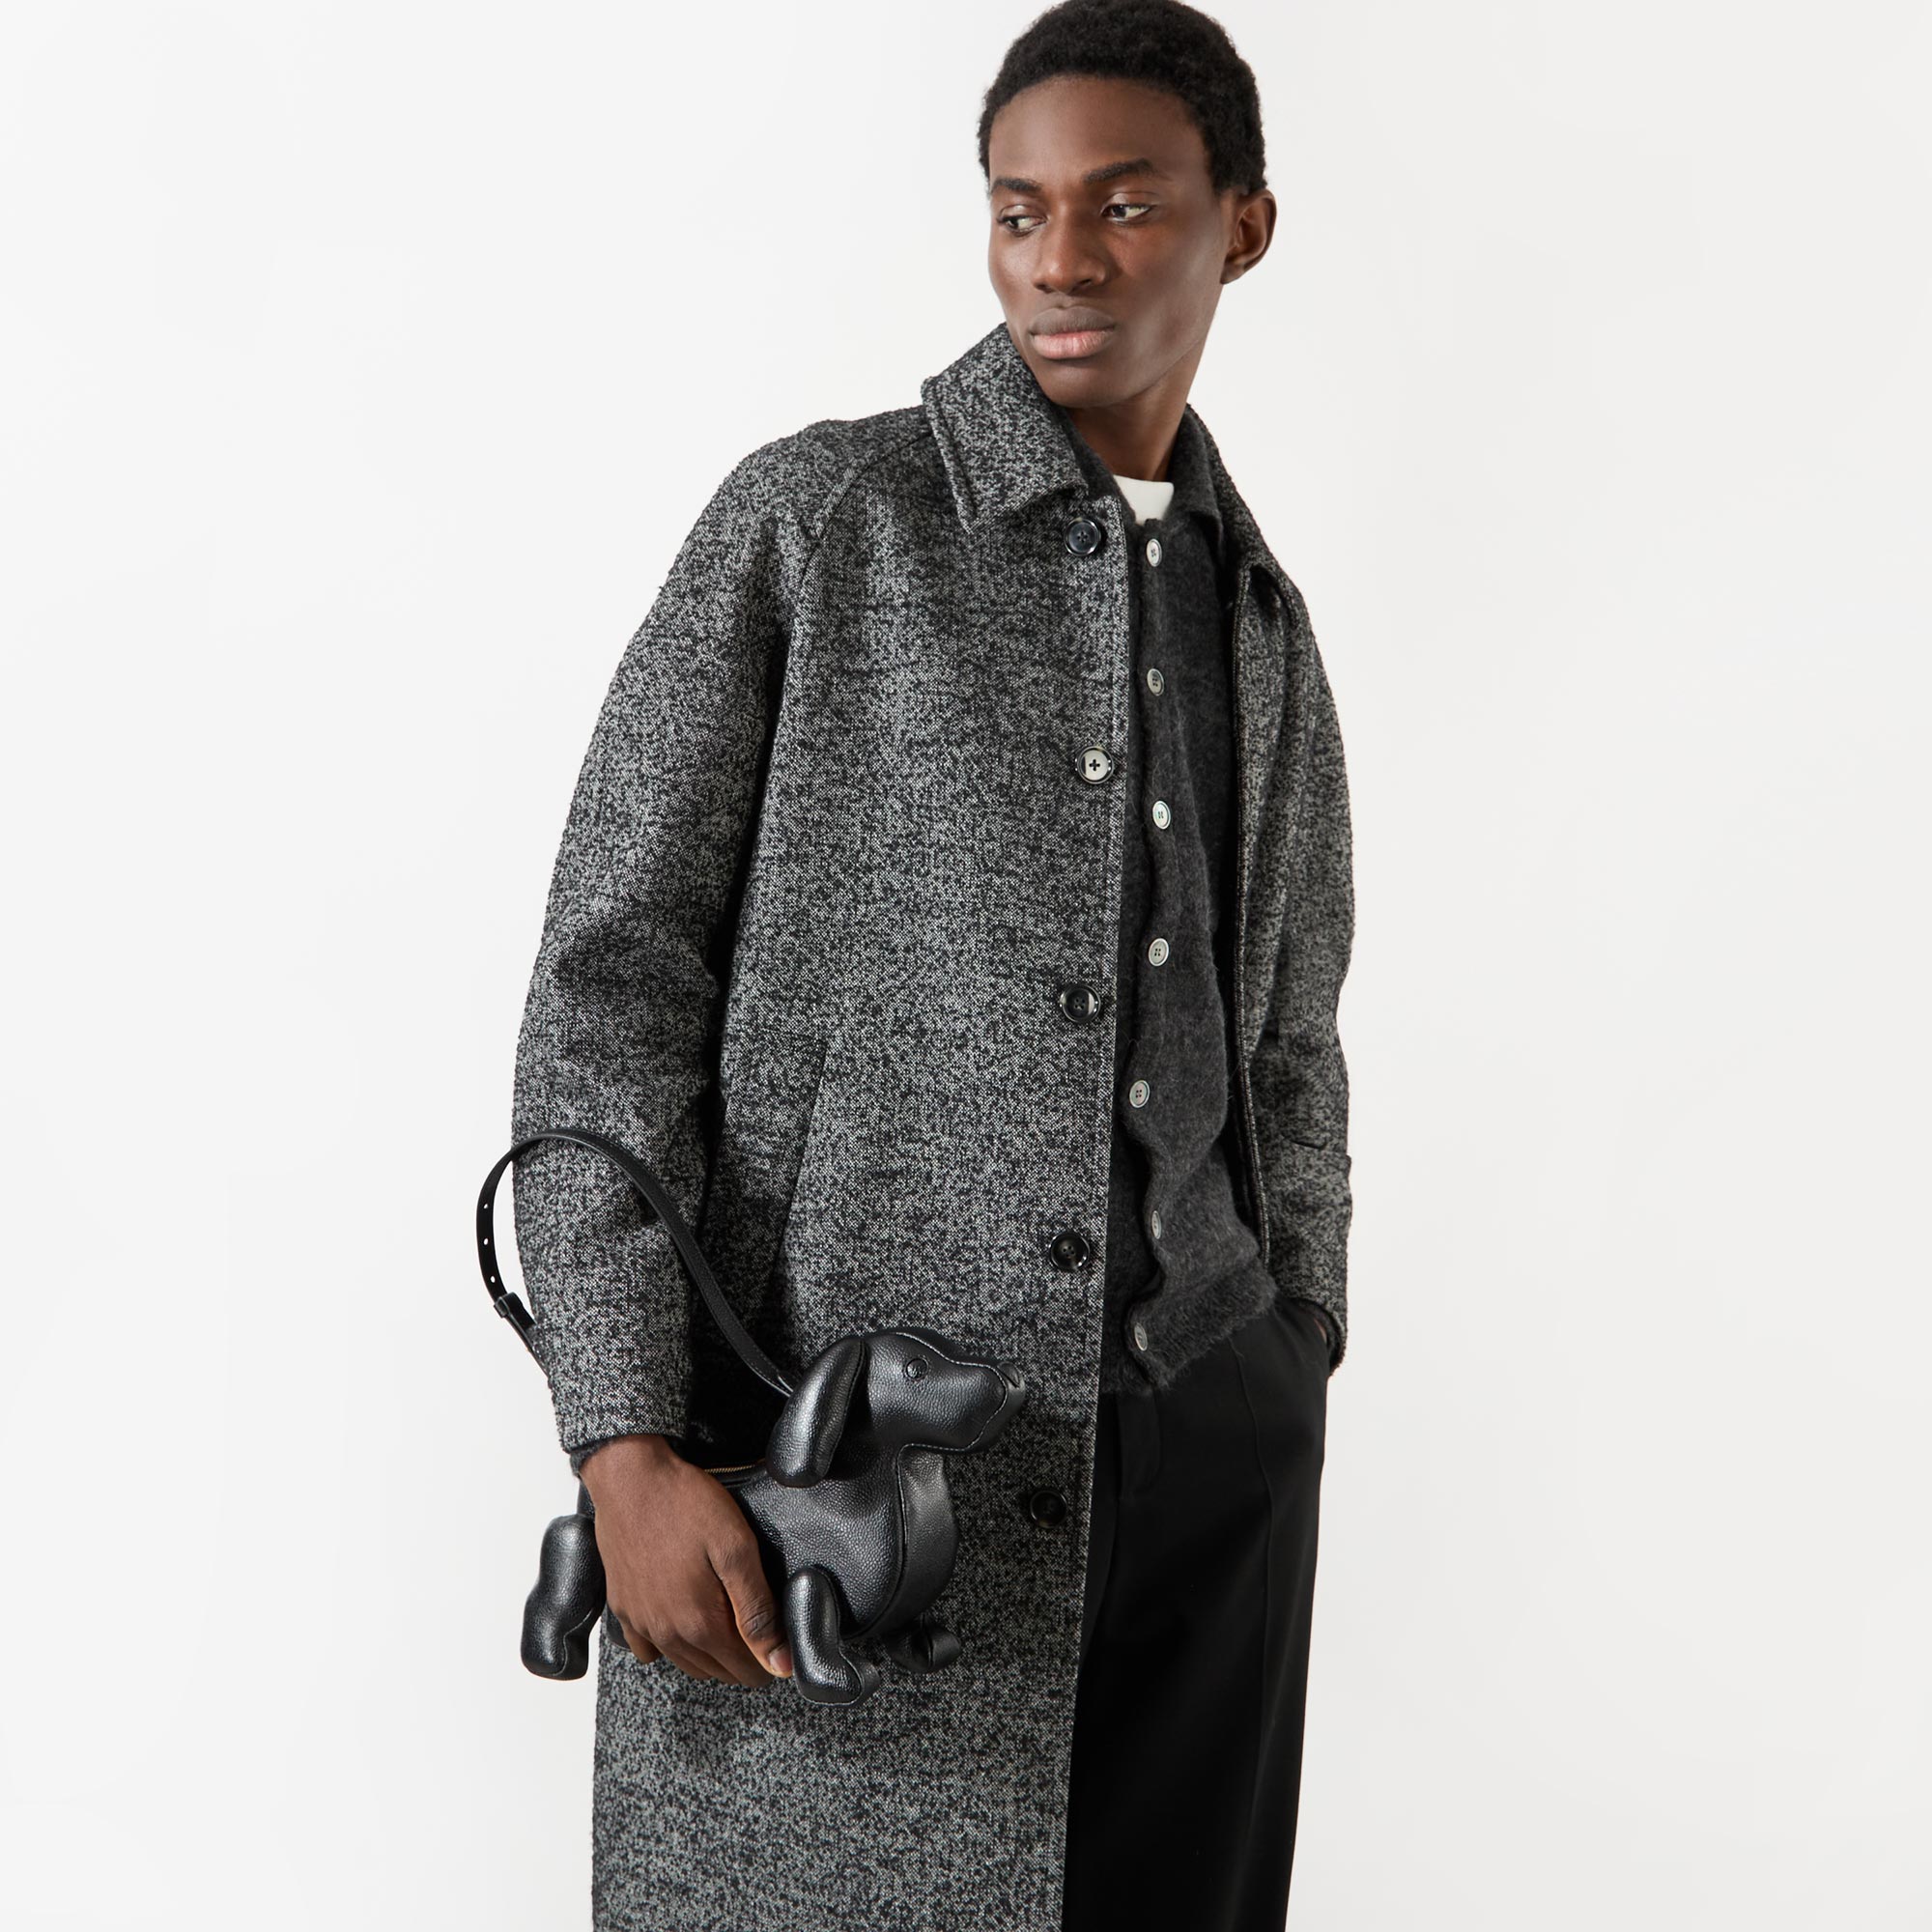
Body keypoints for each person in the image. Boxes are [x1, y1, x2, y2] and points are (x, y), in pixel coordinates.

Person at [507, 3, 1353, 1926]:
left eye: (1124, 206)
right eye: (1018, 210)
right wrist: (621, 1433)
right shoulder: (825, 525)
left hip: (1212, 1465)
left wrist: (1294, 1334)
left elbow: (1289, 1034)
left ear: (1240, 225)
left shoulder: (1263, 617)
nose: (1062, 260)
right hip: (845, 1474)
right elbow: (608, 988)